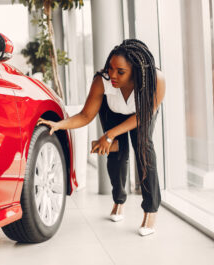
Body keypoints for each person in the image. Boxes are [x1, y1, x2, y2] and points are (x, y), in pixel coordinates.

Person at [38, 39, 166, 236]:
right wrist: (59, 124)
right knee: (115, 154)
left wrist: (109, 134)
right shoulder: (102, 80)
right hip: (112, 112)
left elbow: (143, 116)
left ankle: (150, 210)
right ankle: (119, 200)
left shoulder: (155, 80)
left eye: (120, 71)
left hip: (141, 114)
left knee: (144, 149)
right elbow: (85, 115)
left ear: (136, 72)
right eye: (110, 68)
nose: (112, 75)